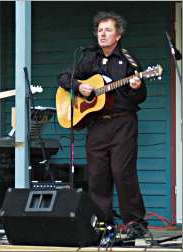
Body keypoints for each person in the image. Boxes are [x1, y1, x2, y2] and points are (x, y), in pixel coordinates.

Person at [58, 11, 149, 240]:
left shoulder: (128, 59)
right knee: (97, 175)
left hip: (122, 123)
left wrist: (137, 87)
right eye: (100, 30)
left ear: (118, 35)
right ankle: (102, 223)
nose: (103, 34)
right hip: (97, 125)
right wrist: (80, 87)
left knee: (122, 172)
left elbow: (140, 98)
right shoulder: (90, 58)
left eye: (108, 30)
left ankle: (134, 222)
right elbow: (64, 77)